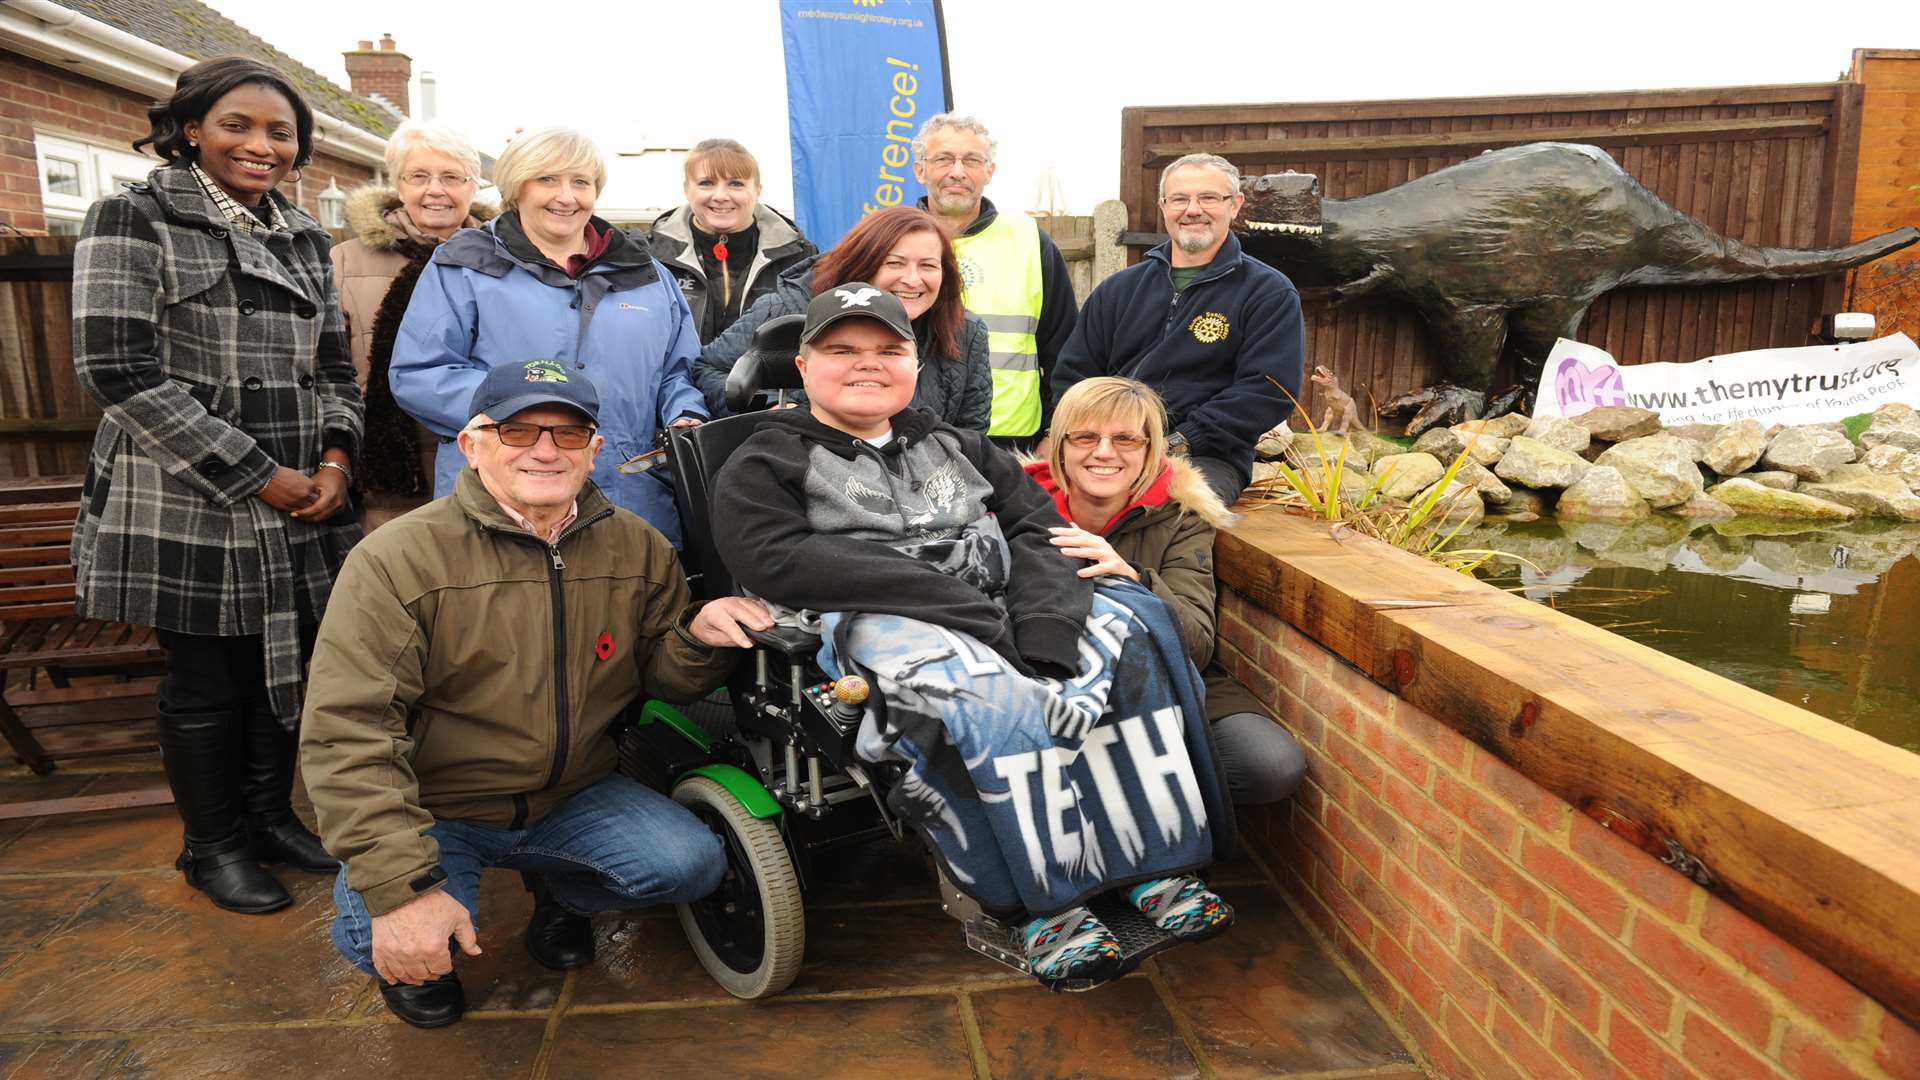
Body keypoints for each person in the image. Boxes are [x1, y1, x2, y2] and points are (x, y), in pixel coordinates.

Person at [711, 286, 1234, 991]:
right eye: (842, 351)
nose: (867, 365)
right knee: (988, 698)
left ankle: (1155, 861)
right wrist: (969, 613)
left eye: (887, 350)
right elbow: (777, 560)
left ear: (913, 365)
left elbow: (1038, 530)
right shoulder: (766, 459)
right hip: (878, 622)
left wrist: (1045, 635)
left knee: (1130, 637)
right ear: (803, 366)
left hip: (999, 606)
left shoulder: (956, 445)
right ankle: (1039, 903)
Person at [300, 360, 772, 1028]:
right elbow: (349, 731)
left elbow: (663, 677)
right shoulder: (395, 559)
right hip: (439, 805)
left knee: (691, 865)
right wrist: (401, 892)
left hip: (572, 793)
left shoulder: (638, 547)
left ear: (596, 451)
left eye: (568, 433)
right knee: (374, 931)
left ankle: (559, 893)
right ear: (472, 444)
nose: (545, 450)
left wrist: (698, 636)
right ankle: (419, 949)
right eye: (518, 430)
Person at [71, 56, 362, 914]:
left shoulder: (306, 236)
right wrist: (258, 475)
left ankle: (270, 818)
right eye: (238, 125)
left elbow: (336, 370)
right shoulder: (133, 215)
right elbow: (115, 368)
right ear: (192, 126)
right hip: (187, 497)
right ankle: (213, 846)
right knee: (207, 678)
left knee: (288, 659)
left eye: (280, 132)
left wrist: (337, 464)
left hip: (307, 493)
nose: (261, 146)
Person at [390, 127, 706, 546]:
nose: (566, 196)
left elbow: (678, 373)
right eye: (547, 180)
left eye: (581, 182)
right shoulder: (464, 266)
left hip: (632, 496)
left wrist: (685, 417)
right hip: (502, 499)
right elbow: (420, 373)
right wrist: (530, 422)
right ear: (516, 188)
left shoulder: (649, 276)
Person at [1027, 377, 1306, 805]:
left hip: (1163, 680)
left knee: (1267, 763)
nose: (1104, 452)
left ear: (1151, 450)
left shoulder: (1181, 517)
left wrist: (1131, 579)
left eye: (1126, 439)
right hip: (1045, 682)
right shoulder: (1016, 507)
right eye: (1084, 437)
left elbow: (1196, 645)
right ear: (1059, 445)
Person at [1050, 153, 1306, 506]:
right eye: (1180, 199)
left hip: (1203, 455)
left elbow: (1267, 392)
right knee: (1037, 504)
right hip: (1105, 448)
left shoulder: (1268, 293)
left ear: (1235, 206)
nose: (1193, 209)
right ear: (1164, 206)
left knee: (1166, 511)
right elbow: (1074, 376)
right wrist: (1092, 441)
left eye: (1209, 198)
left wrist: (1180, 441)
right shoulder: (1118, 289)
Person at [329, 120, 493, 529]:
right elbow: (326, 370)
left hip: (483, 467)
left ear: (473, 186)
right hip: (383, 479)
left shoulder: (504, 262)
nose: (435, 189)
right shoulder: (345, 262)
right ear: (397, 184)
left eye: (452, 177)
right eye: (419, 176)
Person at [693, 206, 989, 430]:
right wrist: (771, 409)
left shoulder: (966, 333)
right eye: (894, 263)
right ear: (863, 264)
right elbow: (707, 369)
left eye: (928, 265)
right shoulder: (786, 309)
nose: (912, 280)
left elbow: (970, 434)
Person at [911, 113, 1078, 443]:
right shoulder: (891, 240)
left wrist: (1054, 434)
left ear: (989, 171)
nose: (957, 171)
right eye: (943, 159)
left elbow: (1066, 351)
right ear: (920, 170)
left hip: (1011, 440)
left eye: (972, 160)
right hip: (910, 434)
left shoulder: (1030, 240)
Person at [649, 138, 815, 344]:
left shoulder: (800, 258)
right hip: (678, 377)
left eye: (736, 184)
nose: (720, 196)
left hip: (768, 377)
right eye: (706, 183)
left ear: (757, 190)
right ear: (686, 189)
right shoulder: (651, 256)